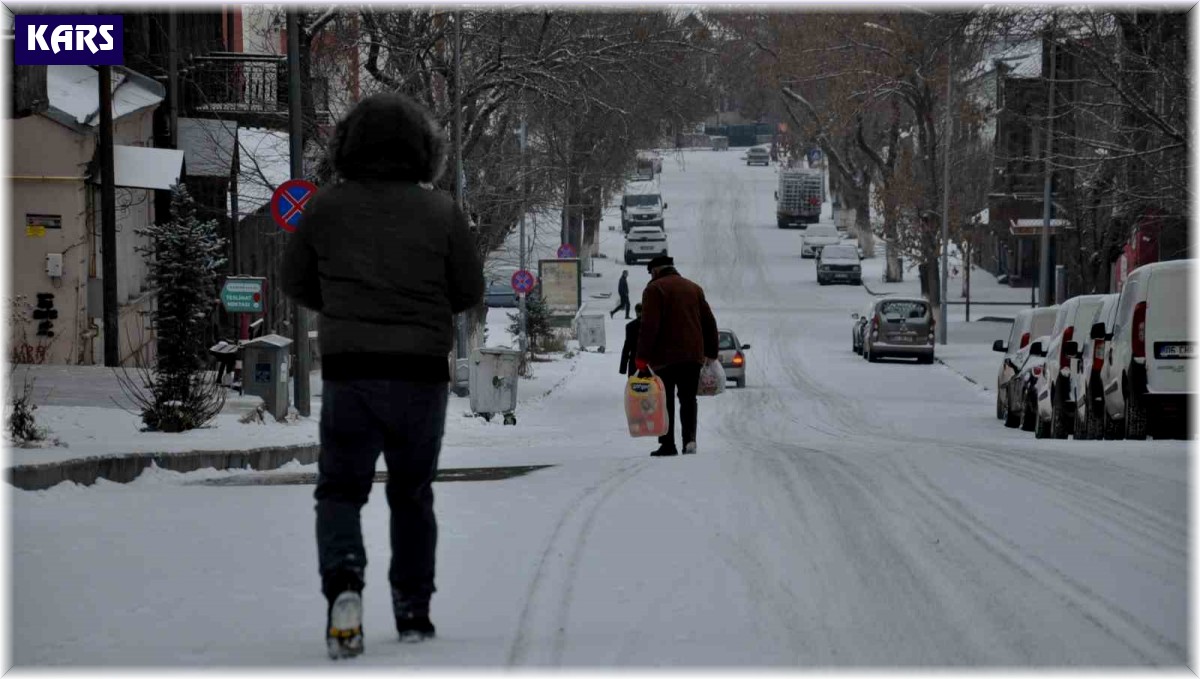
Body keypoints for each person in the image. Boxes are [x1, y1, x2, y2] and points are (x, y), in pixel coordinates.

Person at [281, 92, 484, 658]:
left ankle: (344, 584)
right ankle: (413, 608)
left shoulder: (325, 207)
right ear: (424, 151)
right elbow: (467, 290)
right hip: (421, 376)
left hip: (351, 375)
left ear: (347, 146)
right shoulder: (441, 210)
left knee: (341, 490)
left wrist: (342, 305)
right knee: (412, 493)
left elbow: (294, 281)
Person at [634, 255, 719, 457]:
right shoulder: (693, 288)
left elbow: (649, 326)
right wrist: (711, 352)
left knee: (665, 400)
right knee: (688, 399)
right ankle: (690, 441)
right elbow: (709, 322)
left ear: (655, 271)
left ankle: (668, 444)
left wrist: (642, 357)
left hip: (665, 357)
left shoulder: (654, 289)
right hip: (692, 356)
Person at [618, 304, 644, 377]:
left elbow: (627, 347)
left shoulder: (630, 326)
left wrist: (623, 368)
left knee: (634, 386)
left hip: (634, 362)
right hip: (650, 363)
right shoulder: (653, 325)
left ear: (636, 312)